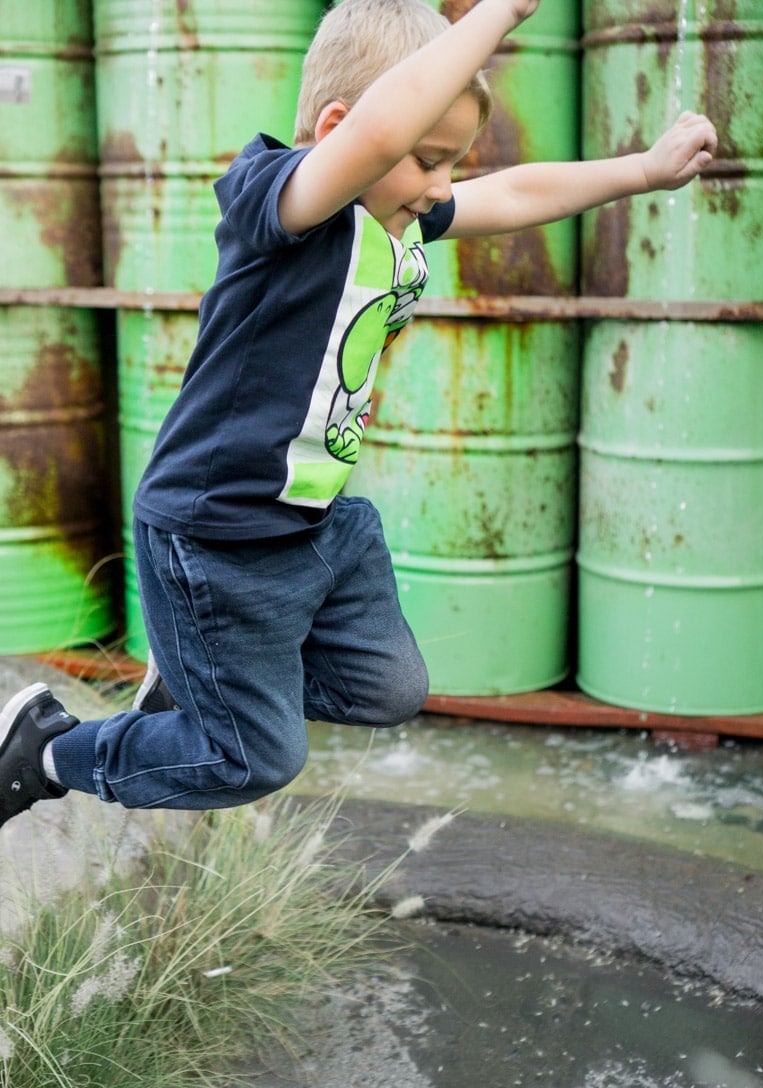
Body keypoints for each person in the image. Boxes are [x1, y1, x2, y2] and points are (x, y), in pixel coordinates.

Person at [0, 0, 717, 828]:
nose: (442, 185)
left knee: (391, 689)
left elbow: (515, 190)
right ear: (341, 127)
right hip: (218, 532)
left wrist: (643, 170)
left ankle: (205, 679)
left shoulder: (396, 206)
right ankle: (47, 750)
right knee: (255, 757)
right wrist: (499, 14)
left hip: (317, 526)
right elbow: (377, 137)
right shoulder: (282, 205)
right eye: (429, 159)